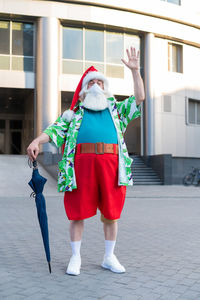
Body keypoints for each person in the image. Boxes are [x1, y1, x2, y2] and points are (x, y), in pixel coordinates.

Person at [27, 47, 145, 276]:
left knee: (111, 214)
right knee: (77, 213)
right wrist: (36, 141)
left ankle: (109, 257)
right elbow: (53, 131)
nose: (96, 86)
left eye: (100, 83)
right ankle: (75, 258)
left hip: (112, 169)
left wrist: (135, 71)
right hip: (80, 170)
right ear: (82, 93)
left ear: (106, 90)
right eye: (91, 83)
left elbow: (139, 98)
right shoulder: (73, 115)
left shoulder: (117, 111)